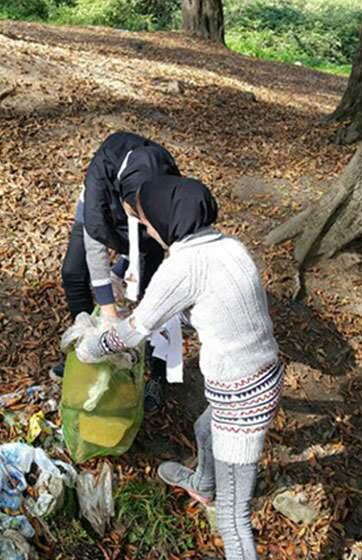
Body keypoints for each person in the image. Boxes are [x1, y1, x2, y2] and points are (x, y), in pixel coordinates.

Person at [75, 176, 284, 560]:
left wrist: (92, 347)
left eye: (147, 221)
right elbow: (216, 308)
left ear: (165, 219)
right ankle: (202, 483)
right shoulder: (231, 246)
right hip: (266, 375)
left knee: (233, 517)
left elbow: (131, 334)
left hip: (240, 398)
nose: (146, 229)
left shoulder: (183, 267)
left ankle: (219, 505)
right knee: (203, 428)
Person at [59, 131, 180, 412]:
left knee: (153, 299)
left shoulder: (165, 182)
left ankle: (157, 375)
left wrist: (121, 268)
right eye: (134, 211)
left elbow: (150, 240)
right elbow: (94, 244)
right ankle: (85, 349)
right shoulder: (100, 180)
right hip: (103, 211)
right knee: (73, 273)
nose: (138, 217)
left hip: (146, 233)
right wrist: (108, 313)